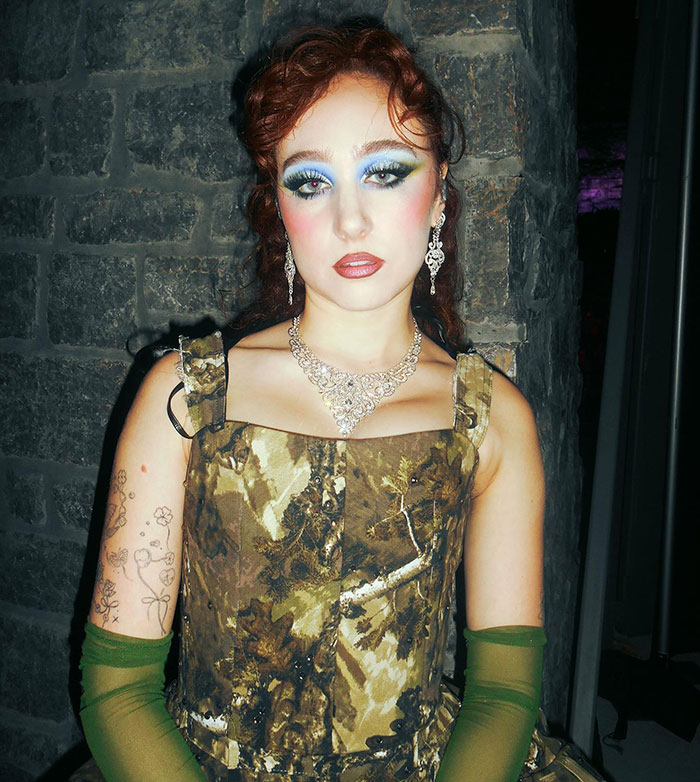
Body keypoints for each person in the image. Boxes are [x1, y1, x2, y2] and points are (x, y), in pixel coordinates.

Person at [72, 23, 585, 782]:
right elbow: (116, 691)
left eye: (386, 173)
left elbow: (505, 694)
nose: (350, 220)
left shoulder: (493, 418)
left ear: (440, 193)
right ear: (279, 207)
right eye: (311, 181)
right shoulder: (183, 399)